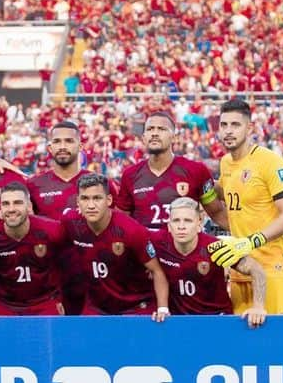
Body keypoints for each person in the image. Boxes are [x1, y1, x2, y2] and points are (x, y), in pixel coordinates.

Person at [209, 98, 283, 315]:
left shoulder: (270, 161)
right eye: (224, 125)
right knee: (243, 348)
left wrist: (250, 242)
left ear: (249, 128)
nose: (228, 131)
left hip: (274, 270)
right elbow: (231, 195)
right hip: (242, 270)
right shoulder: (225, 163)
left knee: (280, 346)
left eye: (235, 125)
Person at [27, 120, 112, 314]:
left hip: (93, 275)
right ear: (50, 147)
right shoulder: (34, 185)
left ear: (80, 146)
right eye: (57, 142)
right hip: (49, 277)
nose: (63, 146)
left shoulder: (99, 183)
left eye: (69, 141)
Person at [65, 174, 171, 320]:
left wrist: (163, 308)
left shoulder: (130, 230)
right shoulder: (70, 222)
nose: (90, 205)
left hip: (136, 306)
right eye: (85, 199)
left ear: (108, 200)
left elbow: (157, 271)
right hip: (97, 308)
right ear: (77, 201)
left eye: (97, 198)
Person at [153, 198, 266, 327]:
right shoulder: (160, 245)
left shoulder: (214, 247)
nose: (181, 226)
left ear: (199, 224)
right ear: (169, 225)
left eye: (188, 221)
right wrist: (161, 308)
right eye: (176, 220)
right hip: (179, 322)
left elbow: (257, 270)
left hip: (217, 321)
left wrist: (258, 307)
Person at [0, 182, 68, 316]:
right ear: (0, 208)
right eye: (6, 204)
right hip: (6, 304)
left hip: (44, 302)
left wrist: (60, 299)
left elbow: (70, 262)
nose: (11, 209)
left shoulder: (52, 230)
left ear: (29, 206)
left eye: (17, 203)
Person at [116, 112, 222, 230]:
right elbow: (121, 222)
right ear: (144, 138)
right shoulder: (130, 175)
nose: (155, 133)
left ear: (173, 137)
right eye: (150, 129)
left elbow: (217, 213)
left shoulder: (196, 170)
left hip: (184, 247)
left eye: (161, 129)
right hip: (145, 247)